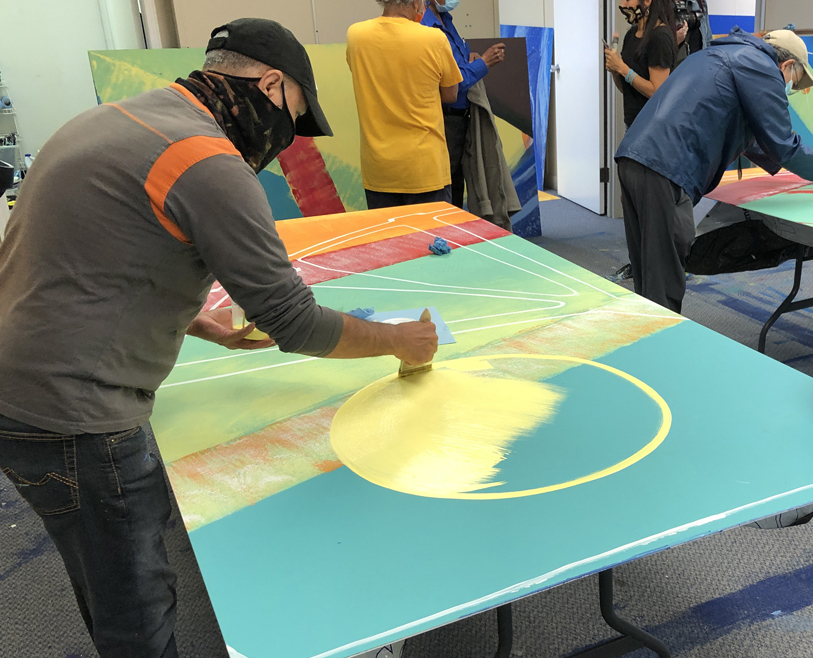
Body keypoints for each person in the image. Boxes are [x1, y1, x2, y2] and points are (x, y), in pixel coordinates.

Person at [0, 19, 438, 656]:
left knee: (104, 569)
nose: (289, 138)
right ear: (268, 83)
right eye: (294, 115)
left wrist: (197, 320)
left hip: (21, 380)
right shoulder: (208, 161)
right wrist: (401, 340)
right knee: (135, 605)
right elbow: (293, 320)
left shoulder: (118, 120)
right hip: (73, 416)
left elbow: (84, 254)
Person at [614, 28, 813, 312]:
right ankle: (661, 347)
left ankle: (644, 342)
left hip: (633, 157)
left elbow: (753, 136)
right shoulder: (762, 68)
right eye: (792, 80)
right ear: (785, 65)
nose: (788, 88)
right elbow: (784, 145)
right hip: (664, 167)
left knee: (647, 267)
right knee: (666, 272)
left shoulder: (723, 53)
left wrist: (792, 162)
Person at [348, 0, 463, 209]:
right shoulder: (434, 39)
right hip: (425, 169)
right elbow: (450, 94)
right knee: (433, 240)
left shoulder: (356, 36)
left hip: (379, 169)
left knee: (389, 240)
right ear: (415, 1)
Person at [422, 0, 506, 211]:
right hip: (444, 118)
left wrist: (471, 61)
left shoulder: (446, 21)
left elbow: (455, 67)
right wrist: (483, 64)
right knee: (447, 186)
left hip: (461, 118)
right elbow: (450, 85)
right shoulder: (426, 27)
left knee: (460, 180)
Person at [605, 0, 682, 129]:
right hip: (632, 123)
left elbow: (657, 91)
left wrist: (622, 68)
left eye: (628, 0)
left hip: (651, 128)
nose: (623, 5)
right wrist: (615, 70)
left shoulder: (660, 37)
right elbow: (627, 89)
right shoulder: (631, 34)